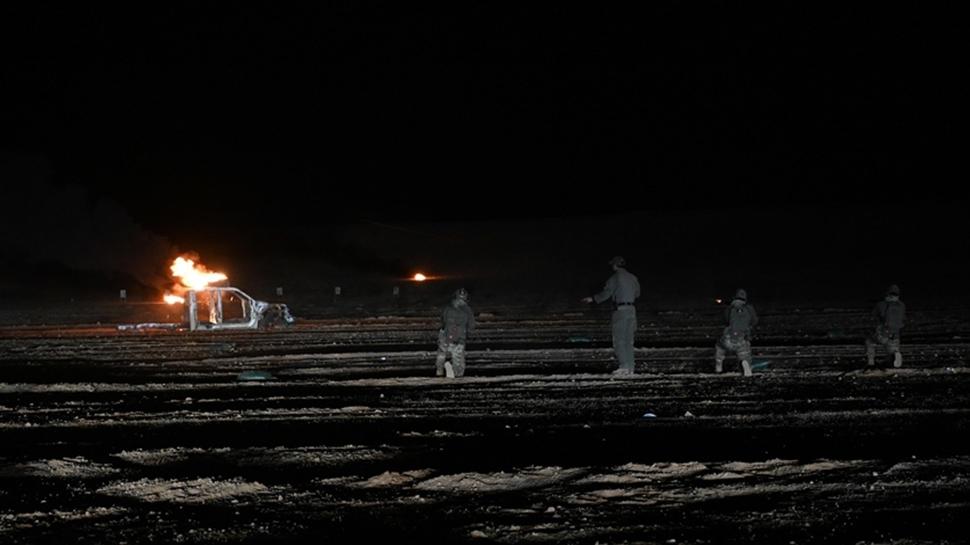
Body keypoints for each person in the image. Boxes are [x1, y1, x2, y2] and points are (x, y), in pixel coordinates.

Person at [581, 256, 641, 375]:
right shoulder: (633, 277)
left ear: (615, 265)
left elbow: (606, 293)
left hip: (620, 310)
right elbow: (637, 294)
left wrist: (593, 299)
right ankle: (630, 367)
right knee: (629, 341)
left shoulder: (615, 277)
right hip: (632, 310)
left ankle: (623, 366)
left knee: (619, 340)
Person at [715, 288, 758, 377]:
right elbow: (754, 321)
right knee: (744, 353)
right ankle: (745, 363)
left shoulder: (730, 308)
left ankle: (719, 364)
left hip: (728, 337)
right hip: (742, 337)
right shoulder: (749, 308)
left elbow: (726, 320)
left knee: (720, 347)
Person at [435, 288, 475, 378]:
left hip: (445, 335)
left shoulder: (448, 308)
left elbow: (443, 320)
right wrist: (468, 333)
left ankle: (439, 371)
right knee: (458, 357)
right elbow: (472, 325)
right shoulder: (467, 310)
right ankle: (458, 374)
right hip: (459, 336)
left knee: (441, 354)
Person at [866, 284, 906, 368]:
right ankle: (893, 355)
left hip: (884, 333)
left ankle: (871, 362)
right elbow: (903, 319)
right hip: (896, 335)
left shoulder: (881, 304)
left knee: (870, 341)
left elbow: (873, 318)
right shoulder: (902, 305)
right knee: (891, 348)